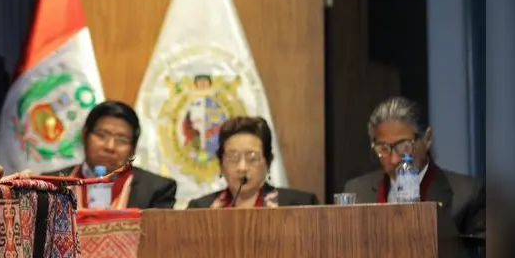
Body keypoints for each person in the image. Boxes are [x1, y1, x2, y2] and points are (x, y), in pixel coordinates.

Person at [344, 96, 485, 236]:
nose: (394, 160)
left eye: (404, 146)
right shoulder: (357, 192)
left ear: (427, 138)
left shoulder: (466, 194)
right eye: (383, 148)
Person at [48, 101, 177, 209]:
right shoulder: (49, 184)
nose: (110, 147)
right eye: (101, 135)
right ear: (84, 135)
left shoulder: (156, 190)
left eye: (122, 140)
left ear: (133, 148)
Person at [188, 116, 318, 208]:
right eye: (233, 158)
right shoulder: (200, 208)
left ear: (268, 162)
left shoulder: (299, 205)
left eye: (252, 158)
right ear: (221, 164)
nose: (242, 167)